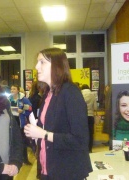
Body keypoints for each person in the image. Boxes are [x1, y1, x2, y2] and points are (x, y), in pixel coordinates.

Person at [24, 48, 93, 179]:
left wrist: (43, 134)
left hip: (66, 170)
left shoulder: (71, 93)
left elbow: (80, 140)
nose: (36, 66)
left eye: (42, 62)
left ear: (56, 65)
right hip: (48, 167)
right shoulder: (48, 94)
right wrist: (35, 133)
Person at [8, 84, 32, 165]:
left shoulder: (23, 99)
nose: (12, 91)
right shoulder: (9, 99)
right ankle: (15, 160)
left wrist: (22, 111)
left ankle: (25, 159)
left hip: (21, 122)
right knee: (13, 142)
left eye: (14, 89)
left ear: (18, 90)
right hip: (12, 122)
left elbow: (30, 108)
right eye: (11, 89)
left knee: (22, 142)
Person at [81, 84, 97, 152]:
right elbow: (95, 107)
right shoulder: (92, 95)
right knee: (90, 133)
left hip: (82, 116)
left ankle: (83, 148)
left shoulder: (80, 94)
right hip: (90, 116)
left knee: (82, 132)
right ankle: (90, 149)